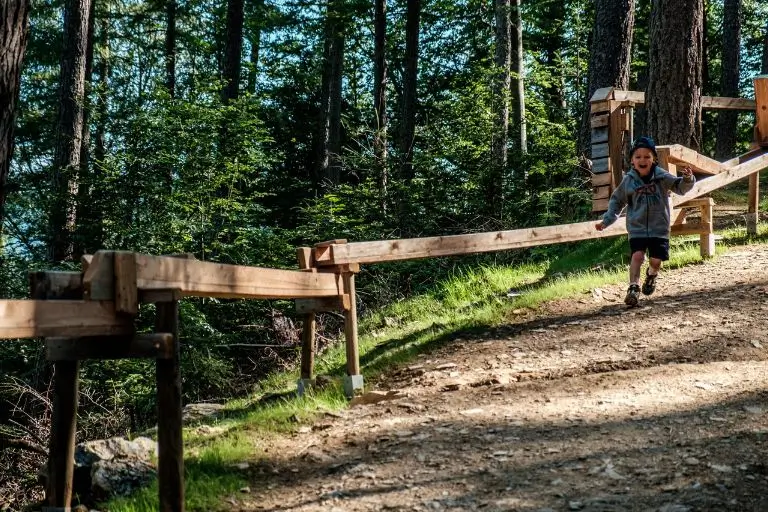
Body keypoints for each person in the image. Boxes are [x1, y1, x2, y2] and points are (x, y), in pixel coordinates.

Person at [595, 136, 696, 306]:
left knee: (656, 260)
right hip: (637, 228)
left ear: (654, 159)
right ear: (632, 160)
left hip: (659, 228)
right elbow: (617, 201)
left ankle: (651, 275)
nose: (643, 160)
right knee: (637, 256)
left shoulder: (661, 177)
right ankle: (633, 287)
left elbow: (680, 187)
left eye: (647, 156)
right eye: (638, 156)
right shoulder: (628, 181)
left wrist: (687, 179)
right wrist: (606, 221)